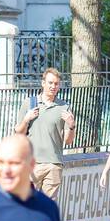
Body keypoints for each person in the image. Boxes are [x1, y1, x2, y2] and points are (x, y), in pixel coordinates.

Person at [16, 67, 76, 199]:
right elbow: (18, 134)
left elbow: (68, 141)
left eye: (56, 84)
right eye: (50, 83)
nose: (53, 86)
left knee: (48, 206)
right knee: (28, 204)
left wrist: (71, 126)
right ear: (43, 83)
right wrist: (26, 119)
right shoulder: (29, 103)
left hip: (53, 164)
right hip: (32, 163)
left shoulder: (64, 107)